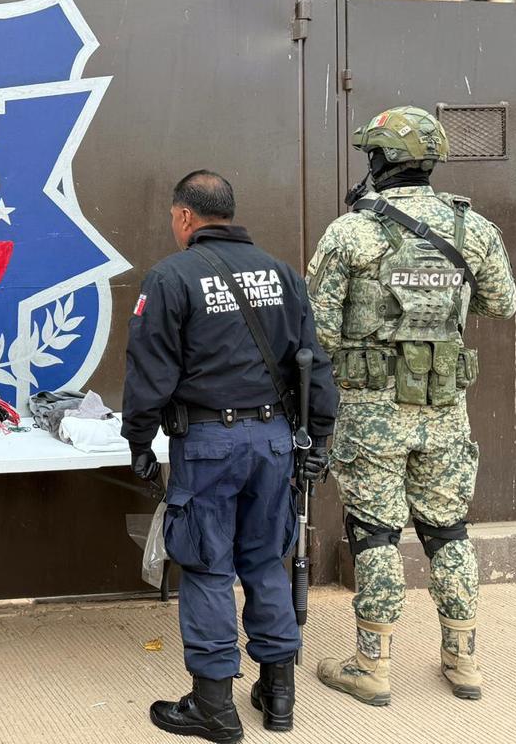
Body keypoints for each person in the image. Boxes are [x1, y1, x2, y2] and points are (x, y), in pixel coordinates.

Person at [306, 106, 516, 705]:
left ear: (378, 160)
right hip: (444, 408)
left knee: (374, 532)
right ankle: (463, 660)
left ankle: (371, 667)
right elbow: (502, 304)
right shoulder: (472, 227)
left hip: (371, 412)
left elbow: (317, 329)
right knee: (448, 530)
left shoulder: (351, 232)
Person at [123, 170, 338, 742]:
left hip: (209, 446)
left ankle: (214, 707)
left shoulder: (171, 277)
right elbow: (315, 363)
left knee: (207, 566)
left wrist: (139, 441)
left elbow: (149, 371)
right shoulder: (283, 274)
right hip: (274, 443)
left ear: (185, 216)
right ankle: (279, 695)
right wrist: (319, 440)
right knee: (266, 561)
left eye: (174, 218)